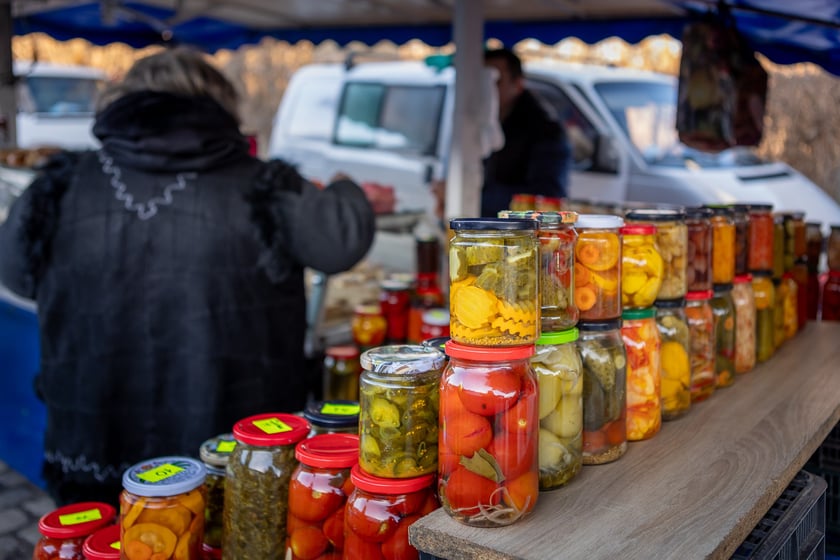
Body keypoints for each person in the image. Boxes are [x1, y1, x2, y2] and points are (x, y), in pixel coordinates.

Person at [0, 47, 376, 505]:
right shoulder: (263, 184)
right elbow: (341, 240)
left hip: (95, 430)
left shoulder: (60, 184)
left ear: (123, 100)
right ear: (219, 104)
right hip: (233, 446)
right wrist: (345, 187)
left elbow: (16, 277)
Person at [481, 48, 571, 217]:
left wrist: (474, 194)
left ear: (518, 84)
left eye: (496, 81)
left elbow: (546, 198)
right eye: (483, 81)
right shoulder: (481, 123)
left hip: (523, 237)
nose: (487, 89)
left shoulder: (545, 130)